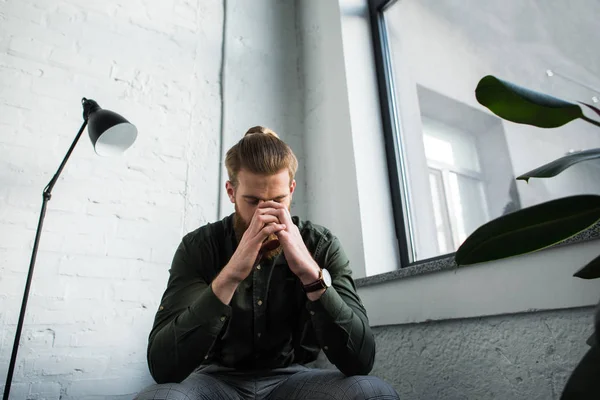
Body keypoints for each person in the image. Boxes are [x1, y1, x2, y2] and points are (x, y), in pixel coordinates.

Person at [135, 126, 399, 400]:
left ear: (292, 189)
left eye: (278, 200)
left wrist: (311, 275)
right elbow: (163, 367)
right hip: (215, 380)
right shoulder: (199, 247)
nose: (266, 214)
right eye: (252, 201)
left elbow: (360, 361)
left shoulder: (321, 244)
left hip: (293, 379)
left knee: (372, 393)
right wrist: (230, 276)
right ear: (231, 192)